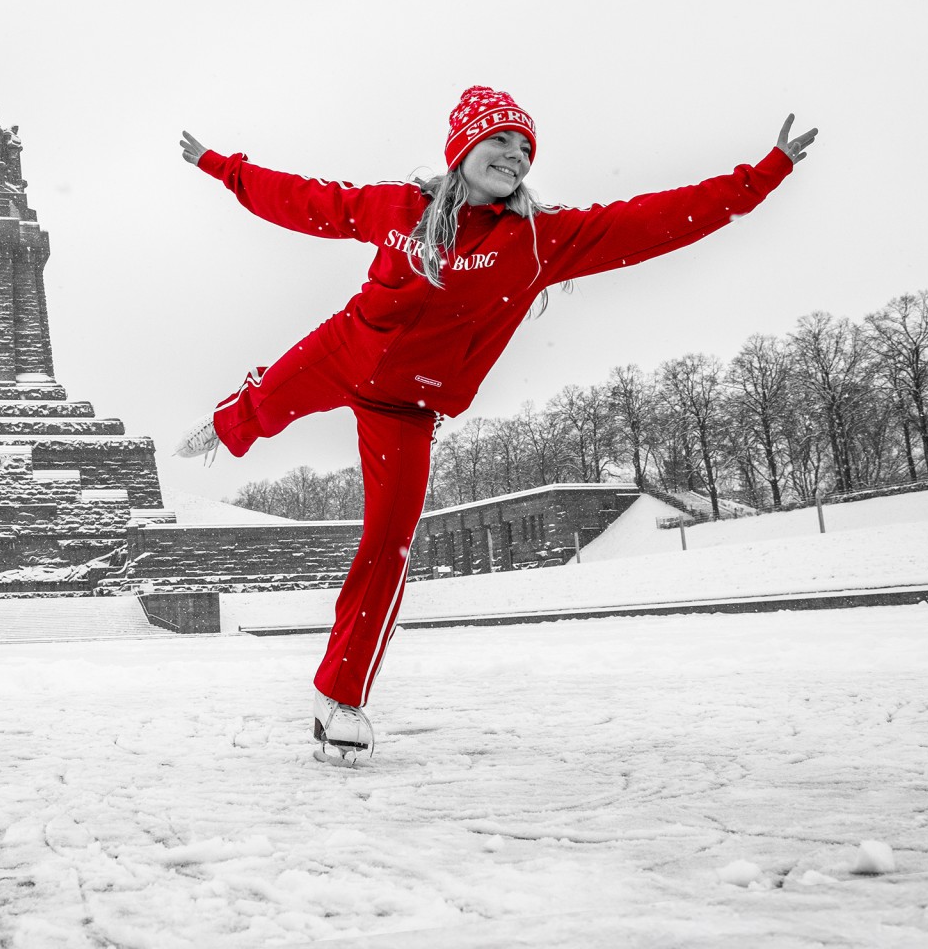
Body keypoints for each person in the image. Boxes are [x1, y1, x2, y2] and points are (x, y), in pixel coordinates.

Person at [174, 86, 817, 765]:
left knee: (388, 544)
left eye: (525, 149)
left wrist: (761, 175)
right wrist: (223, 166)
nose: (514, 156)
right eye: (500, 141)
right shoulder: (398, 209)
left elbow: (655, 221)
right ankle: (229, 421)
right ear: (462, 150)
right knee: (267, 399)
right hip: (347, 348)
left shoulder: (538, 241)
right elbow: (306, 201)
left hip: (407, 408)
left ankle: (341, 697)